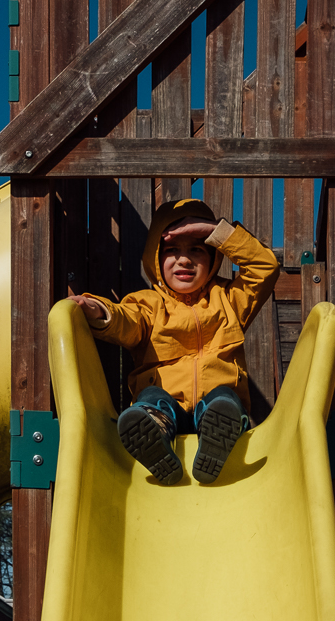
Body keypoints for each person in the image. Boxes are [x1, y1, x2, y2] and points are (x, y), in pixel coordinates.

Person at [65, 196, 279, 484]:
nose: (184, 259)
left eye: (197, 249)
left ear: (214, 257)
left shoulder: (229, 299)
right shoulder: (147, 303)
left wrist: (215, 230)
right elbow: (124, 320)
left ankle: (217, 437)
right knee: (151, 399)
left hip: (214, 410)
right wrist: (98, 310)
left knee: (224, 399)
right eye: (172, 250)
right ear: (156, 256)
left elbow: (265, 267)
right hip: (167, 409)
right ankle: (152, 434)